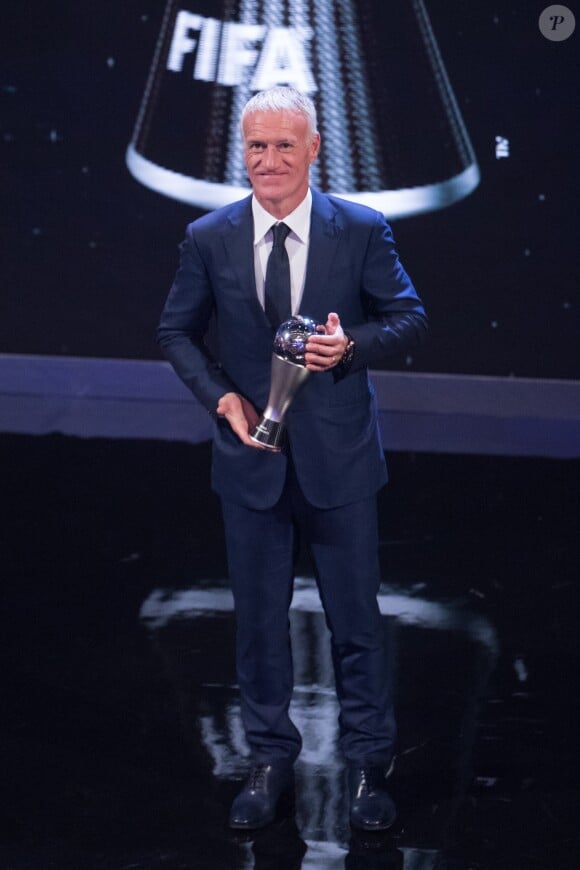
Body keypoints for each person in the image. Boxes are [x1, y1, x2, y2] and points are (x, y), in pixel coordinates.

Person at [157, 86, 427, 831]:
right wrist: (221, 397)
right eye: (256, 147)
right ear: (241, 152)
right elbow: (176, 331)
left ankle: (370, 765)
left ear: (314, 150)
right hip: (250, 458)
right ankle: (269, 757)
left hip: (338, 461)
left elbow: (410, 316)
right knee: (258, 624)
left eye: (284, 146)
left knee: (356, 622)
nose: (268, 161)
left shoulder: (361, 230)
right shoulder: (209, 236)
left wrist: (352, 348)